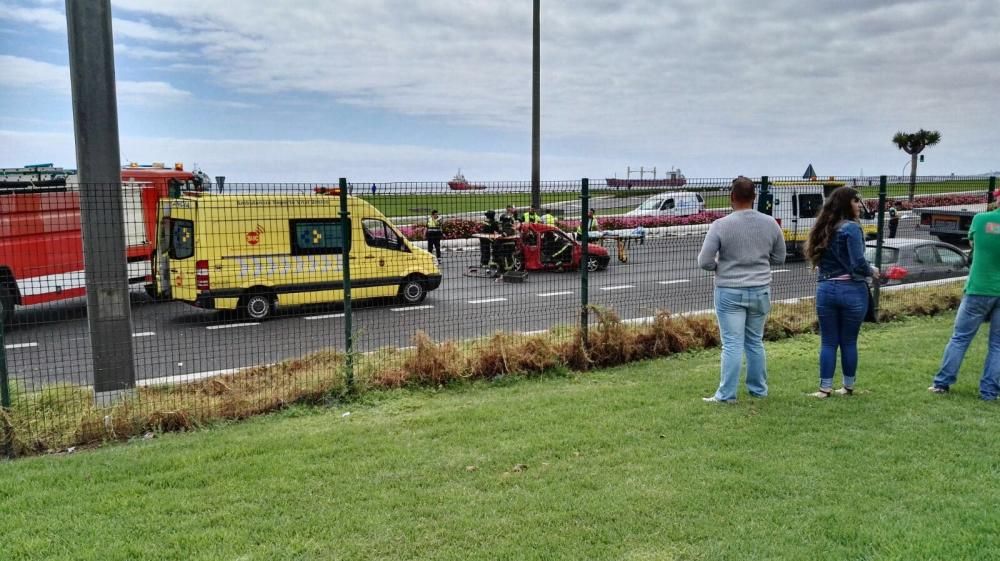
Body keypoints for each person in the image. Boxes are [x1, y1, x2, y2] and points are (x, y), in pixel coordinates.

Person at [697, 177, 786, 403]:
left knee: (732, 343)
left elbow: (704, 261)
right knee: (755, 341)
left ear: (732, 197)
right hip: (760, 288)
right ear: (754, 198)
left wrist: (722, 266)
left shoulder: (721, 225)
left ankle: (726, 394)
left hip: (729, 290)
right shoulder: (770, 224)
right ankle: (758, 389)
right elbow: (780, 257)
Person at [803, 187, 880, 398]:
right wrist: (872, 271)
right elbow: (858, 263)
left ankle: (824, 388)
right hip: (852, 291)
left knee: (828, 341)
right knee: (848, 341)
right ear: (847, 204)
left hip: (826, 289)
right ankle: (847, 386)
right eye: (856, 201)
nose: (859, 205)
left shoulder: (824, 227)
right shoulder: (852, 229)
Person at [928, 202, 1000, 399]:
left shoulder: (981, 219)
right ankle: (989, 392)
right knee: (997, 345)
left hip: (978, 289)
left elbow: (973, 244)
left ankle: (942, 383)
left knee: (960, 338)